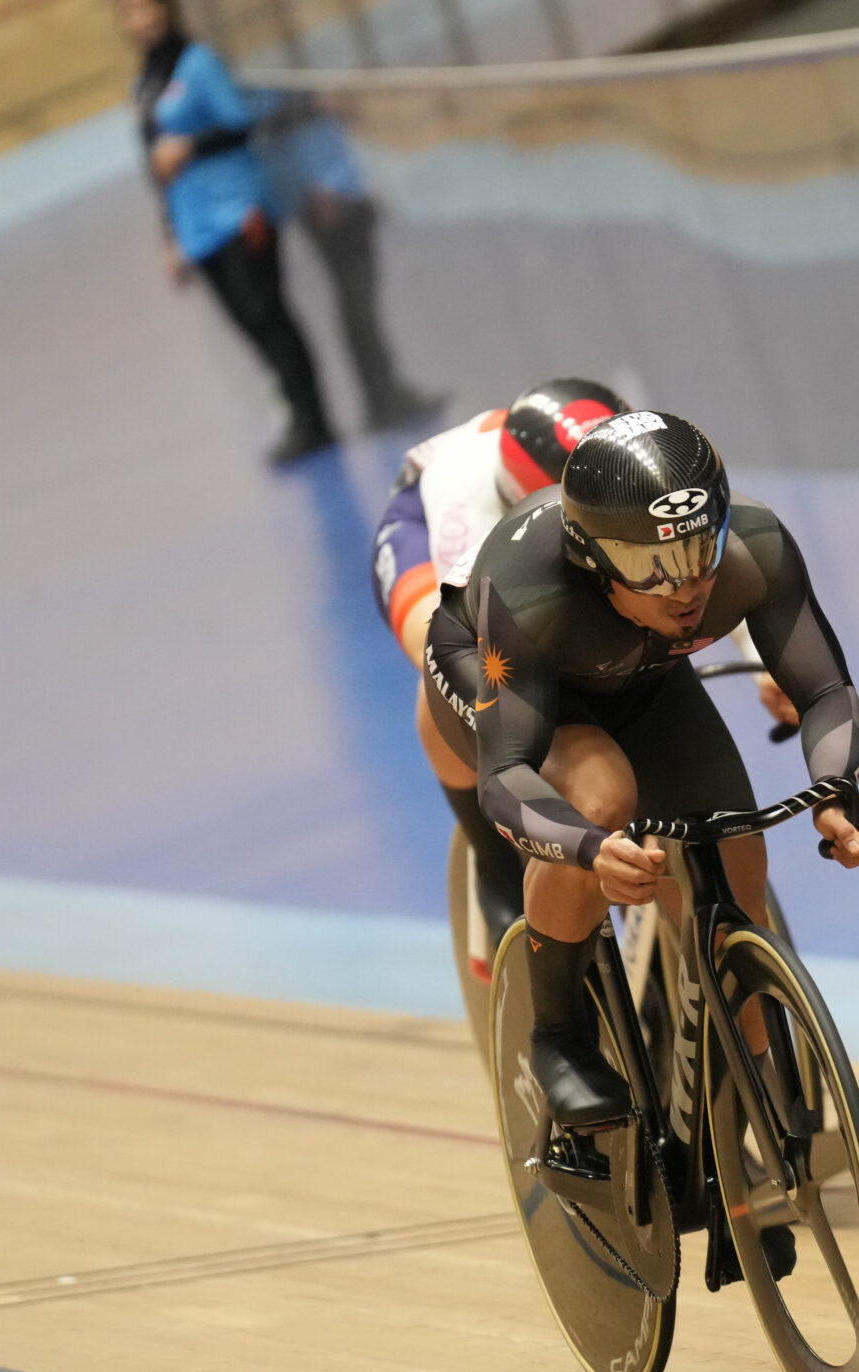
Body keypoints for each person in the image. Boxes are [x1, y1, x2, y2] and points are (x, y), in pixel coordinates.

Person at [422, 411, 859, 1152]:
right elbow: (506, 776)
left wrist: (835, 788)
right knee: (602, 793)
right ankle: (559, 1035)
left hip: (638, 676)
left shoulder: (756, 548)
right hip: (499, 674)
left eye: (701, 551)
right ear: (592, 559)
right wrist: (586, 847)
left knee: (737, 873)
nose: (685, 588)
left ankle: (745, 1109)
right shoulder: (532, 593)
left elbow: (826, 690)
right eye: (652, 567)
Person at [372, 380, 628, 981]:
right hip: (422, 531)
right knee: (453, 664)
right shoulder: (466, 499)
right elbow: (458, 639)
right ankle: (492, 861)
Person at [117, 0, 334, 464]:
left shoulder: (199, 62)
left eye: (150, 8)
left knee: (268, 313)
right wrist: (169, 237)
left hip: (238, 208)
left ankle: (315, 421)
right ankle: (294, 410)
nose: (145, 19)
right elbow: (156, 168)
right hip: (196, 226)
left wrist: (191, 146)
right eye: (132, 12)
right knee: (246, 322)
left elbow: (240, 121)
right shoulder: (143, 87)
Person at [249, 92, 444, 433]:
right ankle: (382, 396)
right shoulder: (280, 97)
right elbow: (280, 126)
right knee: (357, 301)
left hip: (340, 187)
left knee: (360, 301)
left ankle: (384, 392)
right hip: (329, 194)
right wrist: (318, 188)